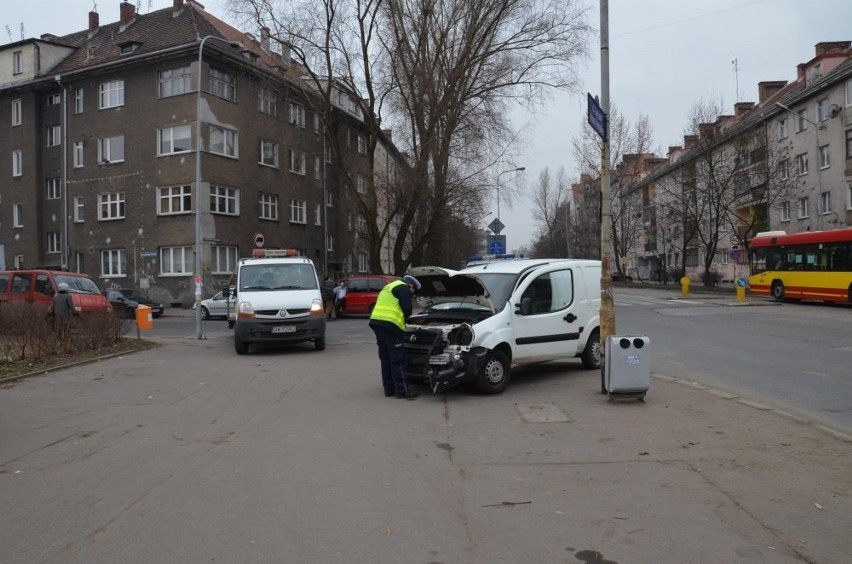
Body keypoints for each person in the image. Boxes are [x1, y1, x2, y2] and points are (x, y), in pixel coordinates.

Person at [369, 275, 421, 400]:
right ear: (411, 286)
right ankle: (402, 391)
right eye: (413, 293)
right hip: (390, 326)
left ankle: (389, 389)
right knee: (398, 359)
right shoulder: (403, 288)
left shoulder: (389, 286)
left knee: (385, 358)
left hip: (377, 323)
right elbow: (407, 311)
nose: (412, 295)